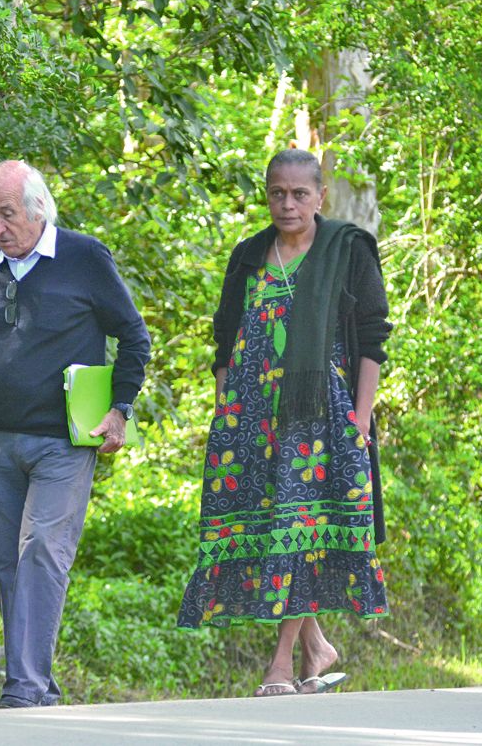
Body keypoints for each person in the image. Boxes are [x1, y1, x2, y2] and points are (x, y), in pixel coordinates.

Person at [0, 160, 150, 708]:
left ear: (37, 209)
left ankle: (22, 688)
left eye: (7, 214)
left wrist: (119, 410)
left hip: (65, 441)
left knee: (43, 551)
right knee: (6, 563)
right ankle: (37, 685)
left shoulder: (85, 257)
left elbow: (134, 337)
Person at [177, 148, 391, 696]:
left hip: (320, 419)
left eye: (300, 194)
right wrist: (228, 412)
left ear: (321, 196)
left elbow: (372, 338)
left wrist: (360, 418)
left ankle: (279, 664)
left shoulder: (347, 249)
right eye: (277, 193)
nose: (287, 203)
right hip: (251, 420)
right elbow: (225, 339)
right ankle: (316, 645)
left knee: (300, 528)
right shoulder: (248, 255)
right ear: (266, 194)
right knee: (274, 532)